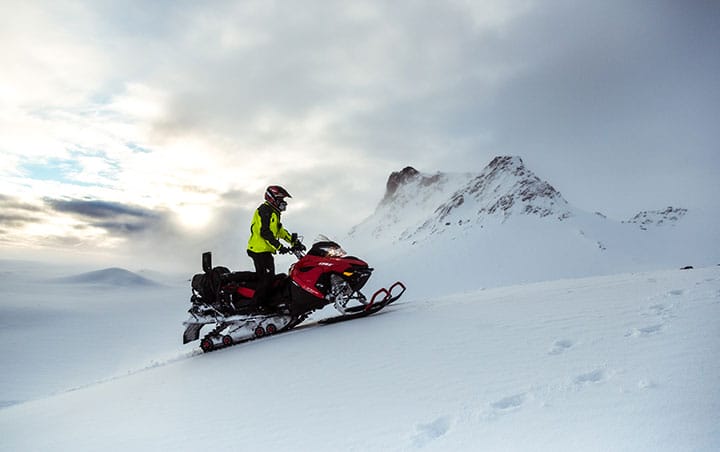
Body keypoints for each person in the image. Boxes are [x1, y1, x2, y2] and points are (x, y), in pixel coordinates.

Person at [246, 185, 299, 310]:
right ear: (272, 198)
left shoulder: (274, 212)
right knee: (266, 279)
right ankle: (256, 307)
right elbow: (265, 232)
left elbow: (279, 231)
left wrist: (293, 241)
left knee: (272, 277)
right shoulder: (264, 210)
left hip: (265, 250)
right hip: (258, 250)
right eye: (281, 199)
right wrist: (279, 246)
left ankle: (269, 302)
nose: (283, 202)